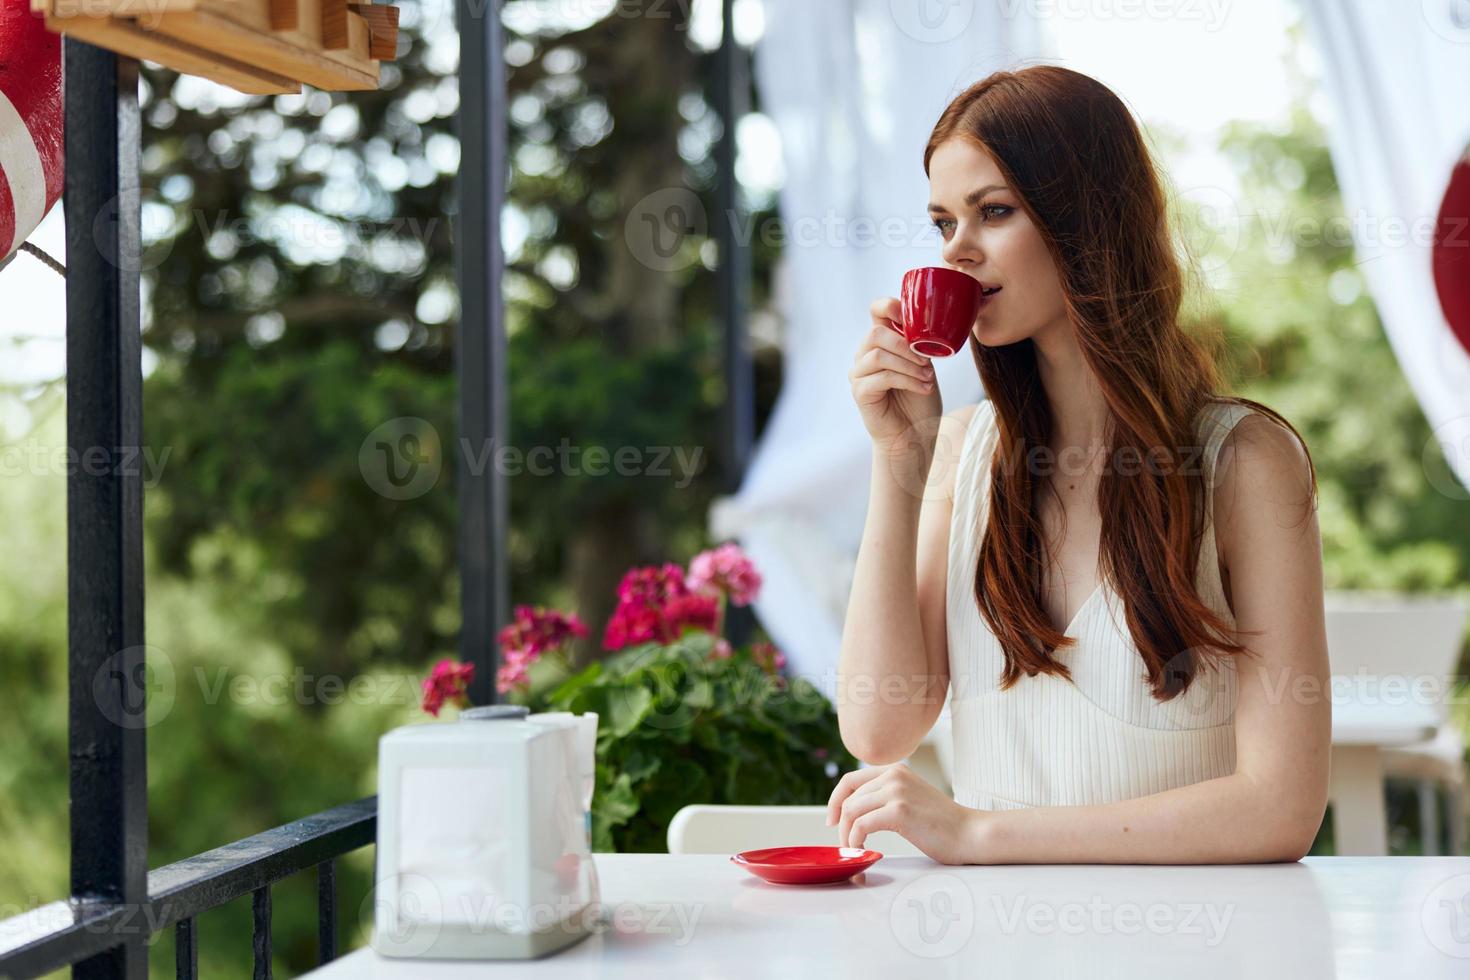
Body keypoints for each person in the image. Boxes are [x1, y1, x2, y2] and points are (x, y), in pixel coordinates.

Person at [828, 65, 1331, 865]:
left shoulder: (1245, 463)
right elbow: (878, 726)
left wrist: (978, 833)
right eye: (941, 223)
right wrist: (901, 461)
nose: (956, 250)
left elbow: (1280, 808)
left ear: (1089, 221)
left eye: (993, 212)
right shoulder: (960, 454)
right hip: (997, 944)